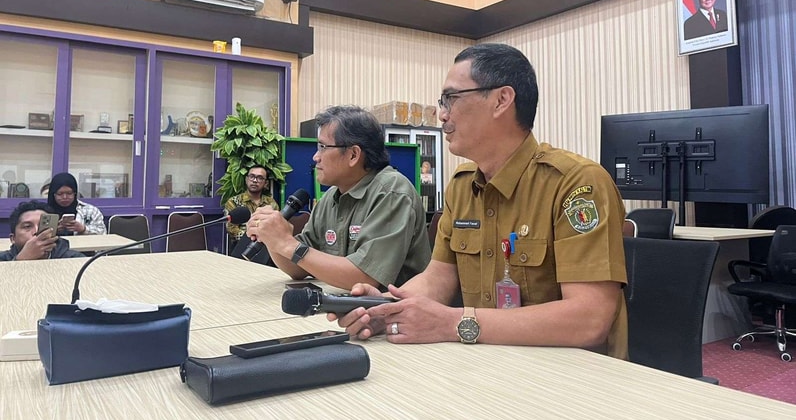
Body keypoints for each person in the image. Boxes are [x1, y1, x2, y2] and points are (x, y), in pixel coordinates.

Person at [332, 44, 628, 359]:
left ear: (501, 100)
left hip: (571, 375)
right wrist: (386, 308)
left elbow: (589, 319)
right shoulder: (462, 186)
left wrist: (455, 323)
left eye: (451, 98)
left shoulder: (576, 183)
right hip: (488, 363)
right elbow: (438, 278)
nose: (442, 114)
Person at [247, 105, 431, 290]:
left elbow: (365, 277)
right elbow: (299, 268)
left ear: (353, 155)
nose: (315, 157)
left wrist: (287, 244)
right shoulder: (331, 197)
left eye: (323, 147)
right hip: (345, 302)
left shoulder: (391, 192)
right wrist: (273, 238)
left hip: (392, 305)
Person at [1, 201, 85, 260]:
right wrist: (21, 260)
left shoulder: (74, 259)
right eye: (27, 226)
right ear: (13, 238)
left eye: (43, 225)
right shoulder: (3, 260)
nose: (36, 231)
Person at [223, 165, 278, 248]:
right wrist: (252, 238)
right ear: (246, 179)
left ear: (265, 183)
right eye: (252, 177)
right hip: (241, 245)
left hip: (266, 246)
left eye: (260, 178)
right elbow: (232, 229)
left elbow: (276, 227)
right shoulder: (233, 201)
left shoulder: (271, 203)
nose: (255, 180)